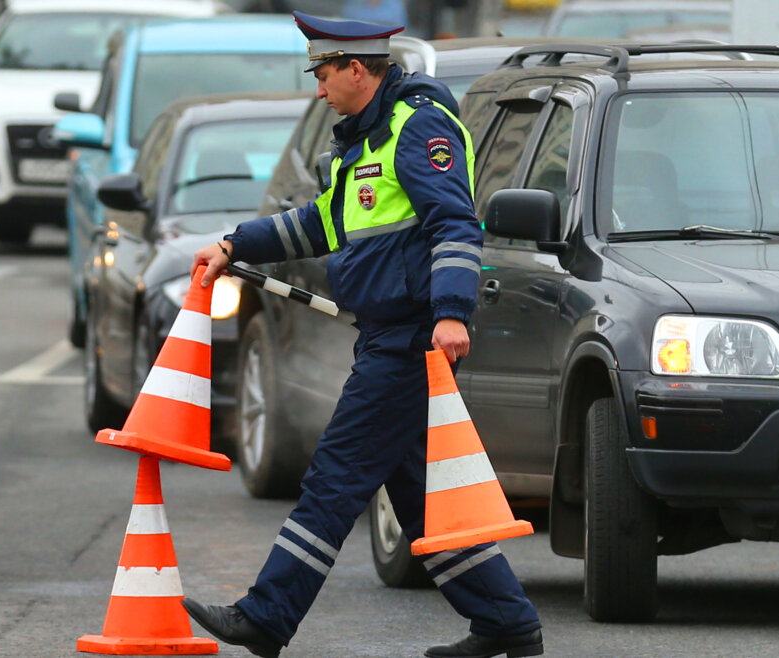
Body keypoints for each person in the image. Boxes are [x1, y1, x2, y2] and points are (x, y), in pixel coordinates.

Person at [184, 11, 543, 658]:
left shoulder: (417, 126)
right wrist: (235, 243)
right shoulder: (361, 144)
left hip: (410, 342)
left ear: (357, 68)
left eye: (323, 73)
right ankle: (506, 623)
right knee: (424, 500)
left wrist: (452, 311)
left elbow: (456, 225)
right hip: (385, 336)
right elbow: (320, 224)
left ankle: (267, 617)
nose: (318, 88)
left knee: (334, 478)